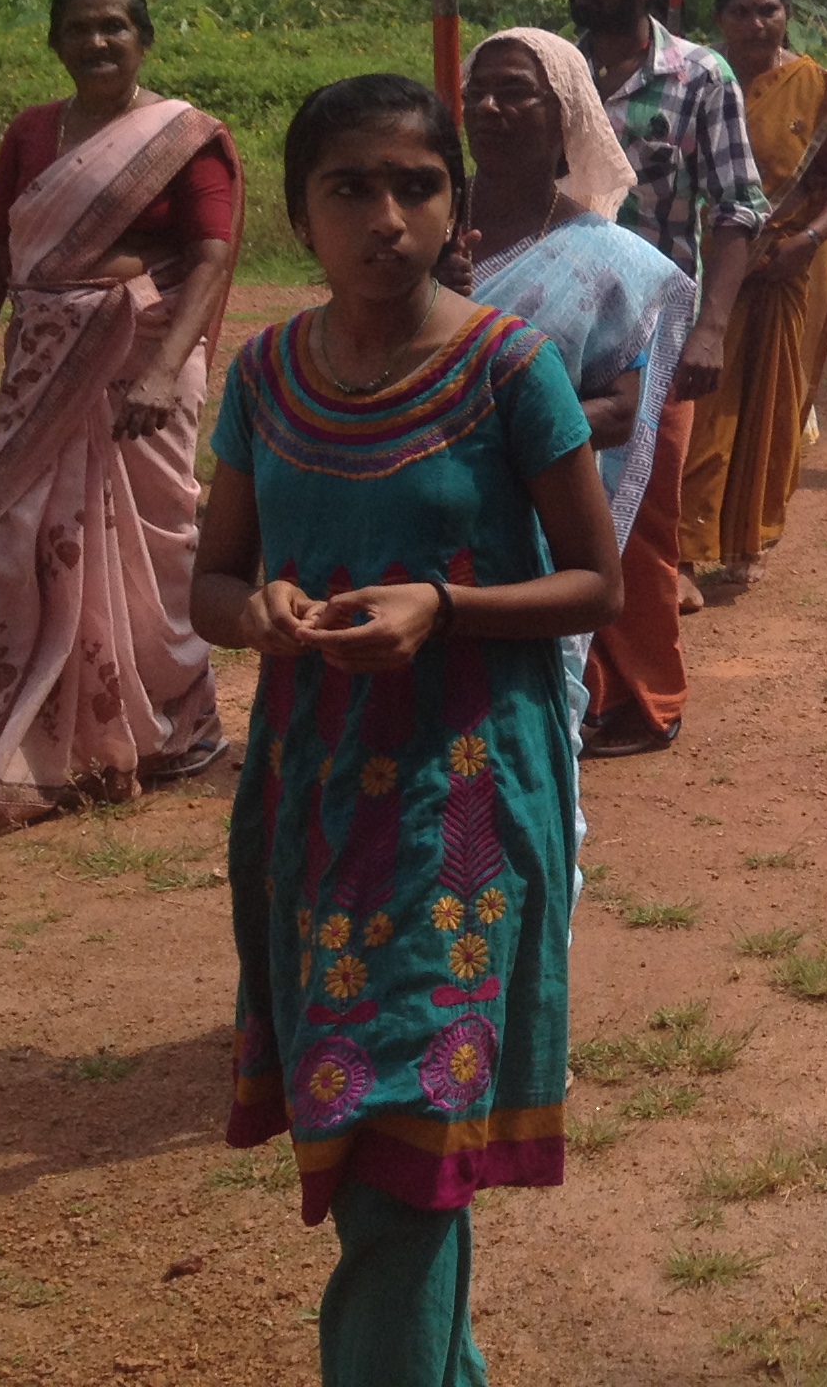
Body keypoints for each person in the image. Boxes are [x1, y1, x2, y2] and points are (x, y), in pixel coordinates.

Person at [189, 75, 624, 1387]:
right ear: (299, 214)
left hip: (464, 801)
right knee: (382, 1137)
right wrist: (257, 612)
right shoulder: (265, 376)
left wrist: (445, 606)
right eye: (351, 188)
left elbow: (595, 584)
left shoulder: (511, 370)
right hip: (314, 799)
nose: (387, 217)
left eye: (417, 187)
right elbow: (213, 581)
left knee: (405, 1145)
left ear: (455, 206)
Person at [0, 0, 239, 840]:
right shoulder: (32, 133)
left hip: (141, 366)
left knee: (151, 551)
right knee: (3, 546)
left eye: (114, 26)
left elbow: (212, 257)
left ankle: (169, 729)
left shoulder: (185, 138)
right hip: (40, 367)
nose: (97, 43)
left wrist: (163, 372)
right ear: (55, 41)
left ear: (143, 38)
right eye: (79, 28)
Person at [461, 31, 691, 773]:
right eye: (476, 93)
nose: (488, 107)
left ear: (567, 116)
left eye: (514, 92)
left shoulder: (609, 262)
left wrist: (496, 432)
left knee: (519, 730)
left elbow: (620, 412)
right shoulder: (421, 229)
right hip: (415, 501)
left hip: (533, 513)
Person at [568, 0, 761, 756]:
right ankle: (578, 689)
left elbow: (737, 209)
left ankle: (648, 700)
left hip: (653, 325)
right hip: (556, 323)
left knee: (643, 514)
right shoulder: (555, 69)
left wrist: (710, 330)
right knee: (562, 507)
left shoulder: (699, 77)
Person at [685, 0, 827, 601]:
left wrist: (809, 240)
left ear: (787, 13)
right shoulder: (696, 80)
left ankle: (748, 537)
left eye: (769, 9)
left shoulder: (813, 88)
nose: (757, 24)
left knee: (767, 408)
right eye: (741, 11)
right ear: (719, 19)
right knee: (699, 413)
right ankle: (684, 548)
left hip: (779, 272)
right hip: (701, 273)